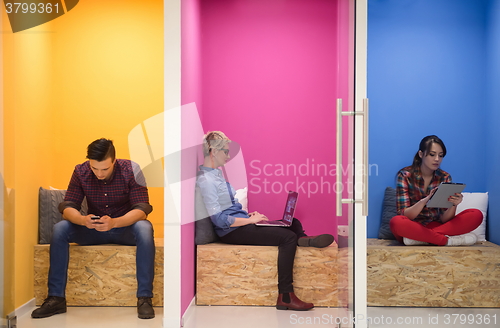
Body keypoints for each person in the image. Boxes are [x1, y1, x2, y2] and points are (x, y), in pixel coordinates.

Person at [196, 131, 334, 311]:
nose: (229, 156)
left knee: (294, 223)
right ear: (214, 152)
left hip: (241, 223)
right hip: (232, 232)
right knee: (287, 237)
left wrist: (248, 215)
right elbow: (219, 220)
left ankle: (303, 240)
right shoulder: (207, 180)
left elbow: (229, 208)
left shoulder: (216, 175)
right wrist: (248, 221)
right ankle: (285, 296)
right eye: (226, 152)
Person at [32, 138, 156, 319]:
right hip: (92, 229)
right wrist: (82, 220)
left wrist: (115, 222)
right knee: (60, 229)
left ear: (114, 161)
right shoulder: (80, 171)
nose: (99, 173)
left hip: (124, 228)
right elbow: (68, 206)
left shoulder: (131, 170)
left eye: (104, 169)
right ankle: (56, 298)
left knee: (145, 228)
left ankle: (144, 298)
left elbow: (142, 209)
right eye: (94, 168)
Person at [390, 135, 482, 246]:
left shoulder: (445, 177)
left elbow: (444, 219)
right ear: (421, 154)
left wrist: (454, 204)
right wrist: (426, 200)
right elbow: (405, 215)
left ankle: (422, 239)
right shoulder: (405, 175)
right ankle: (446, 241)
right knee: (396, 222)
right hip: (412, 226)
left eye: (441, 155)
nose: (437, 159)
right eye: (432, 155)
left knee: (476, 214)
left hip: (436, 226)